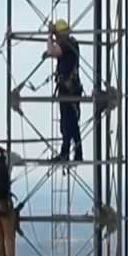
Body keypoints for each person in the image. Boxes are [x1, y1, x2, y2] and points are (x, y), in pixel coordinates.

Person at [43, 19, 83, 162]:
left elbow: (52, 51)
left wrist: (49, 36)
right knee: (71, 123)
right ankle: (77, 154)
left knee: (67, 123)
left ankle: (65, 153)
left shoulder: (67, 43)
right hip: (70, 88)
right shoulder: (70, 44)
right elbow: (56, 54)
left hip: (68, 89)